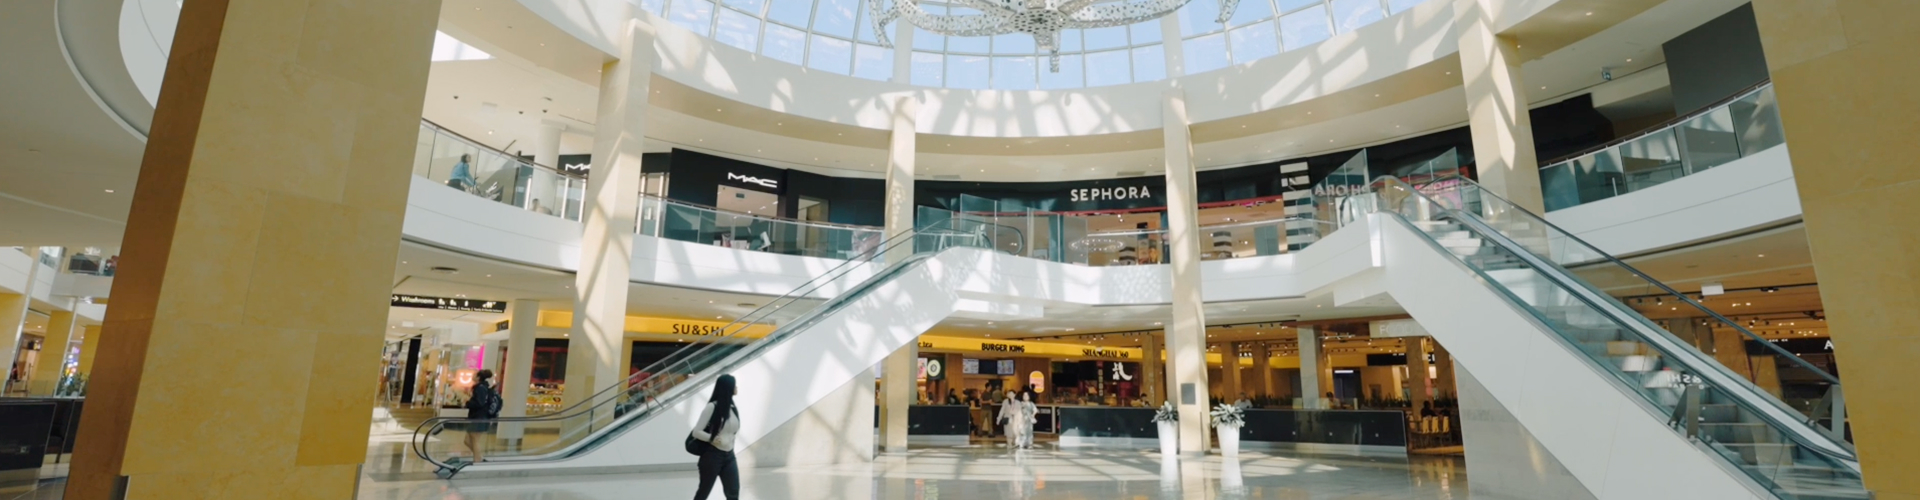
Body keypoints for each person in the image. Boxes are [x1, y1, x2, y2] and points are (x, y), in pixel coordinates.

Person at [691, 374, 742, 500]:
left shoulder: (733, 408)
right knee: (703, 492)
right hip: (712, 456)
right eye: (734, 385)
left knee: (733, 492)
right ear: (727, 388)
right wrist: (711, 438)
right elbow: (696, 432)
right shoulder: (712, 407)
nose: (736, 387)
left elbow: (732, 432)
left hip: (729, 455)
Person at [458, 369, 500, 463]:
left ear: (478, 377)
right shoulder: (481, 387)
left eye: (474, 375)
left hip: (479, 417)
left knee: (474, 439)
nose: (472, 376)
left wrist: (467, 403)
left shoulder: (480, 388)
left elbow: (479, 403)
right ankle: (479, 457)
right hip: (477, 416)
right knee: (467, 440)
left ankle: (477, 460)